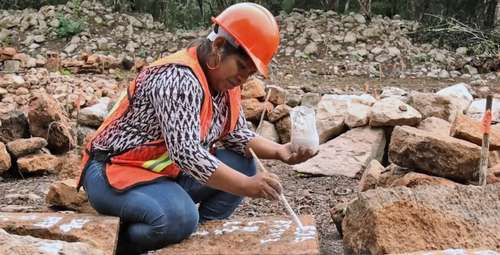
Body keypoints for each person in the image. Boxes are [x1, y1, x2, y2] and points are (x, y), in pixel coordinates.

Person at [77, 2, 316, 254]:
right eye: (242, 67)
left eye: (251, 73)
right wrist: (247, 186)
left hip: (163, 175)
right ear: (219, 47)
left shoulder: (225, 84)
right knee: (180, 218)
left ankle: (193, 242)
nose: (243, 78)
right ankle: (123, 245)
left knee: (242, 164)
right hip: (113, 171)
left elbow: (236, 135)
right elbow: (187, 153)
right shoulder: (178, 79)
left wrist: (282, 151)